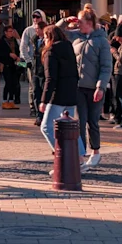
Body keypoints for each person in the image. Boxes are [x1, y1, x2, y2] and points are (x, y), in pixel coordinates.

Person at [68, 9, 113, 171]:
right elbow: (57, 32)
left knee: (92, 121)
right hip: (78, 87)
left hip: (94, 88)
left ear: (89, 23)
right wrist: (66, 20)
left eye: (80, 22)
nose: (77, 24)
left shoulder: (101, 41)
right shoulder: (76, 36)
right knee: (79, 121)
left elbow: (106, 66)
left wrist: (100, 87)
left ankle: (96, 151)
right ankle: (80, 154)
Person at [39, 24, 86, 172]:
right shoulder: (68, 48)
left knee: (46, 127)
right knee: (71, 129)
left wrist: (44, 100)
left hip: (57, 95)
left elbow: (50, 78)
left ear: (50, 38)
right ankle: (79, 159)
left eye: (45, 37)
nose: (44, 41)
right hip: (71, 94)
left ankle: (65, 158)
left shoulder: (51, 51)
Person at [21, 10, 47, 125]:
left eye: (38, 16)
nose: (35, 19)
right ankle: (34, 109)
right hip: (34, 64)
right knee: (34, 87)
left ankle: (44, 113)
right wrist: (28, 60)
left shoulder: (48, 31)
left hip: (45, 66)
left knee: (44, 88)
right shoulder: (29, 31)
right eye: (34, 17)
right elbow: (23, 46)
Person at [0, 25, 22, 109]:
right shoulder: (2, 41)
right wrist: (9, 54)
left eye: (12, 31)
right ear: (5, 32)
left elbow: (18, 50)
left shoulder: (14, 40)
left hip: (15, 64)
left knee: (14, 83)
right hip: (6, 65)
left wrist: (18, 57)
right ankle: (5, 101)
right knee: (8, 83)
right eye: (9, 31)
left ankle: (11, 100)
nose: (11, 33)